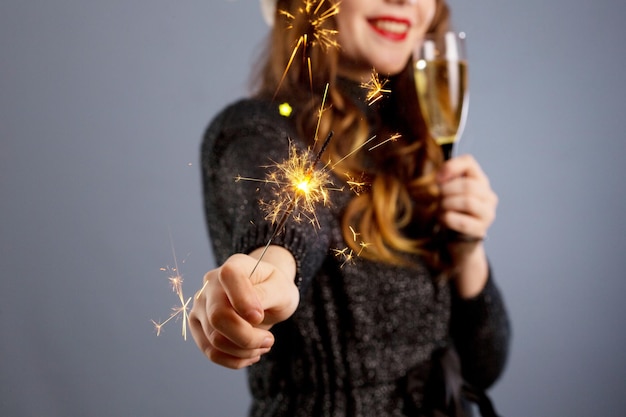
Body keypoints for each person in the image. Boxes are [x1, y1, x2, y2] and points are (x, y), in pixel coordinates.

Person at [190, 0, 510, 416]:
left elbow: (483, 367)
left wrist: (467, 251)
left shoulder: (411, 144)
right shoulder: (258, 130)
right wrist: (266, 276)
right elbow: (286, 224)